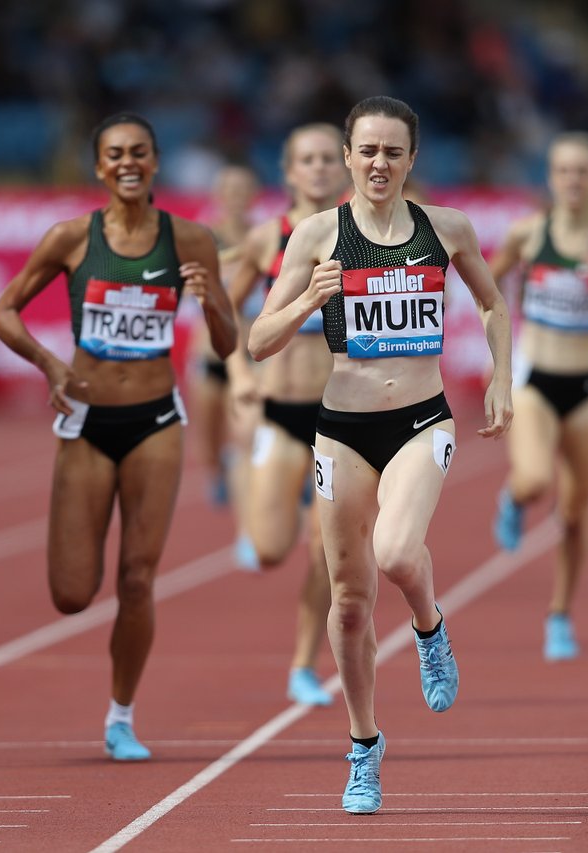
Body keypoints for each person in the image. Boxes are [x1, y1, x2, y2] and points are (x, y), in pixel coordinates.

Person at [247, 96, 513, 813]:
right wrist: (308, 300)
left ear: (412, 159)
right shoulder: (315, 235)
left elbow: (492, 304)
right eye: (367, 150)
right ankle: (364, 746)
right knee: (351, 603)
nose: (378, 164)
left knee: (396, 552)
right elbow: (257, 340)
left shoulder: (445, 228)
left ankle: (430, 627)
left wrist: (502, 379)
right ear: (346, 156)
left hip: (423, 419)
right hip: (341, 428)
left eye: (393, 151)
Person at [0, 113, 237, 761]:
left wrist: (209, 301)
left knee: (136, 578)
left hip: (156, 420)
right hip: (88, 421)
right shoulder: (70, 238)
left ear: (156, 163)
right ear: (99, 168)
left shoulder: (191, 241)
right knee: (72, 593)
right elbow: (2, 312)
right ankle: (115, 701)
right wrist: (50, 363)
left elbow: (230, 341)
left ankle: (121, 716)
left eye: (140, 152)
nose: (128, 162)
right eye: (114, 154)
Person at [489, 131, 588, 661]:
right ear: (551, 177)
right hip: (537, 381)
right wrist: (501, 336)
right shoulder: (529, 233)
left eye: (583, 171)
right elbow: (484, 286)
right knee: (536, 479)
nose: (573, 180)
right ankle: (514, 498)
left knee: (577, 514)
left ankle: (559, 614)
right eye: (563, 170)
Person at [224, 123, 349, 707]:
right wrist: (240, 376)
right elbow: (223, 314)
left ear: (344, 166)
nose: (320, 168)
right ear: (289, 171)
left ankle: (303, 665)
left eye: (329, 158)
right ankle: (263, 481)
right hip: (279, 411)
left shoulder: (366, 235)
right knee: (271, 549)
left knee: (326, 555)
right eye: (308, 159)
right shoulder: (264, 239)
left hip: (340, 417)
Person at [188, 163, 260, 508]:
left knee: (246, 430)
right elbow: (190, 290)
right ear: (219, 196)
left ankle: (247, 488)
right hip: (210, 352)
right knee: (210, 434)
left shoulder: (262, 238)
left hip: (247, 351)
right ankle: (217, 471)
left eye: (242, 190)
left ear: (252, 194)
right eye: (229, 190)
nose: (236, 197)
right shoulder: (204, 238)